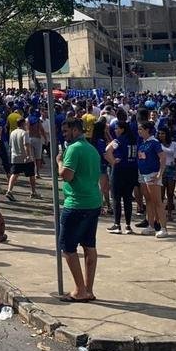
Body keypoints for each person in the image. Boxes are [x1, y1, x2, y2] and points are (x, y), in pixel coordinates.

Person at [57, 118, 101, 302]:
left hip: (76, 204)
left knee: (67, 247)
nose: (64, 135)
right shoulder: (92, 149)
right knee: (89, 246)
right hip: (93, 202)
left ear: (75, 130)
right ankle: (88, 289)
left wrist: (59, 162)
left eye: (66, 131)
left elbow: (66, 175)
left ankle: (80, 290)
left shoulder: (73, 149)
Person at [135, 121, 168, 237]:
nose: (139, 132)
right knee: (148, 200)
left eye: (141, 129)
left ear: (147, 130)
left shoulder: (154, 142)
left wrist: (160, 174)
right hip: (143, 174)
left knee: (157, 201)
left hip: (152, 174)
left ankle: (163, 227)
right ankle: (151, 225)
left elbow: (163, 157)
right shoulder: (142, 143)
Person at [5, 117, 37, 202]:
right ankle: (33, 192)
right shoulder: (24, 133)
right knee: (31, 175)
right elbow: (26, 144)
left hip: (15, 157)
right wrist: (28, 156)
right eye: (26, 123)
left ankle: (9, 190)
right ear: (23, 124)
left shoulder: (12, 133)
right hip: (24, 158)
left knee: (14, 174)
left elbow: (10, 145)